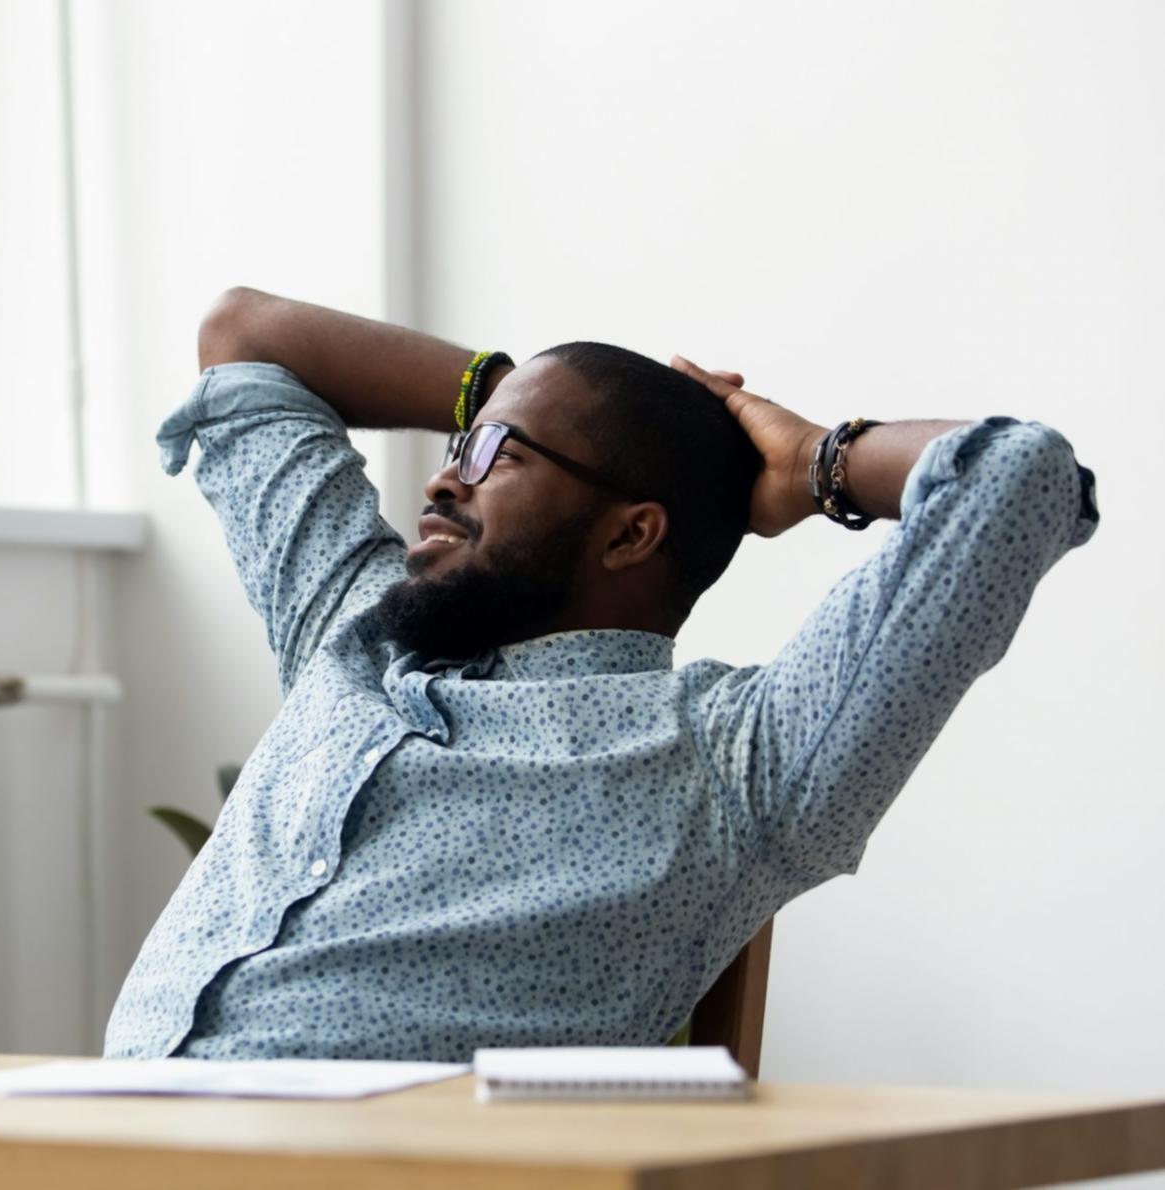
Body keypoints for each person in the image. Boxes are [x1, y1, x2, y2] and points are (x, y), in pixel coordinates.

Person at [104, 288, 1100, 1062]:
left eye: (499, 453)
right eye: (463, 442)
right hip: (82, 1144)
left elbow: (1019, 476)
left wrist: (809, 462)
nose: (446, 476)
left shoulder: (740, 759)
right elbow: (244, 334)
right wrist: (513, 386)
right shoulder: (357, 630)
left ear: (632, 532)